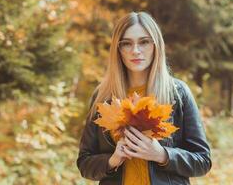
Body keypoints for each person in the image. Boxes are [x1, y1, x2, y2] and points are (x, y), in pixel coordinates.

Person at [77, 11, 212, 185]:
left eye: (144, 42)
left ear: (156, 46)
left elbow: (203, 161)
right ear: (118, 49)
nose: (135, 51)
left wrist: (163, 155)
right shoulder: (103, 96)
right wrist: (112, 160)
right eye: (127, 43)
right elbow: (84, 162)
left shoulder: (177, 93)